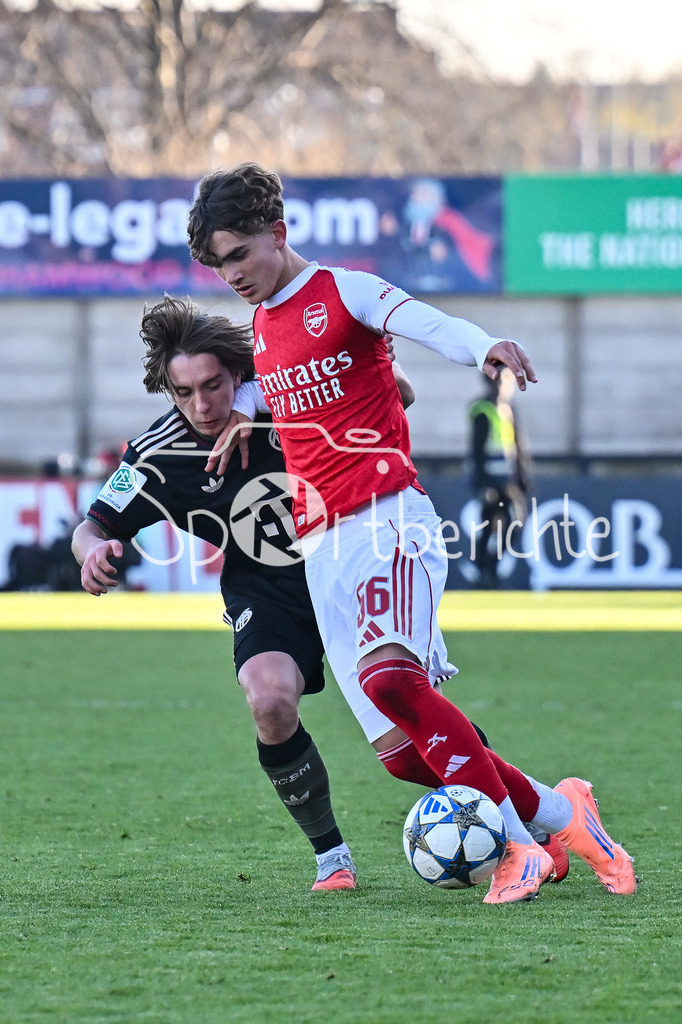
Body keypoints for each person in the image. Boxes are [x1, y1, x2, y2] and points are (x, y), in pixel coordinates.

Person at [186, 162, 636, 904]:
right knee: (399, 754)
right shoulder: (262, 327)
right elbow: (288, 390)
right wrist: (246, 415)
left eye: (239, 254)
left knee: (393, 678)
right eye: (217, 263)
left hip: (389, 518)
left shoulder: (345, 291)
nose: (231, 273)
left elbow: (429, 324)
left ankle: (520, 850)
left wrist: (484, 345)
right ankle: (563, 814)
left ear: (278, 232)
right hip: (321, 548)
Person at [72, 296, 359, 892]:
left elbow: (397, 392)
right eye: (184, 392)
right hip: (266, 583)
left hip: (348, 561)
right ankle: (331, 855)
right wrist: (91, 552)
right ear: (168, 390)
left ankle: (528, 816)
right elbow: (92, 524)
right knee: (269, 701)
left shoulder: (287, 390)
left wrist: (258, 406)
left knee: (405, 722)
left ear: (239, 372)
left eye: (215, 385)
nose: (202, 405)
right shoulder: (157, 455)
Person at [468, 368, 532, 587]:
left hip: (508, 480)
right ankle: (484, 569)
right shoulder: (482, 408)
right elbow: (476, 450)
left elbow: (517, 444)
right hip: (492, 481)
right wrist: (482, 484)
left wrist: (522, 474)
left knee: (513, 522)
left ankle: (486, 566)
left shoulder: (508, 408)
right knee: (490, 525)